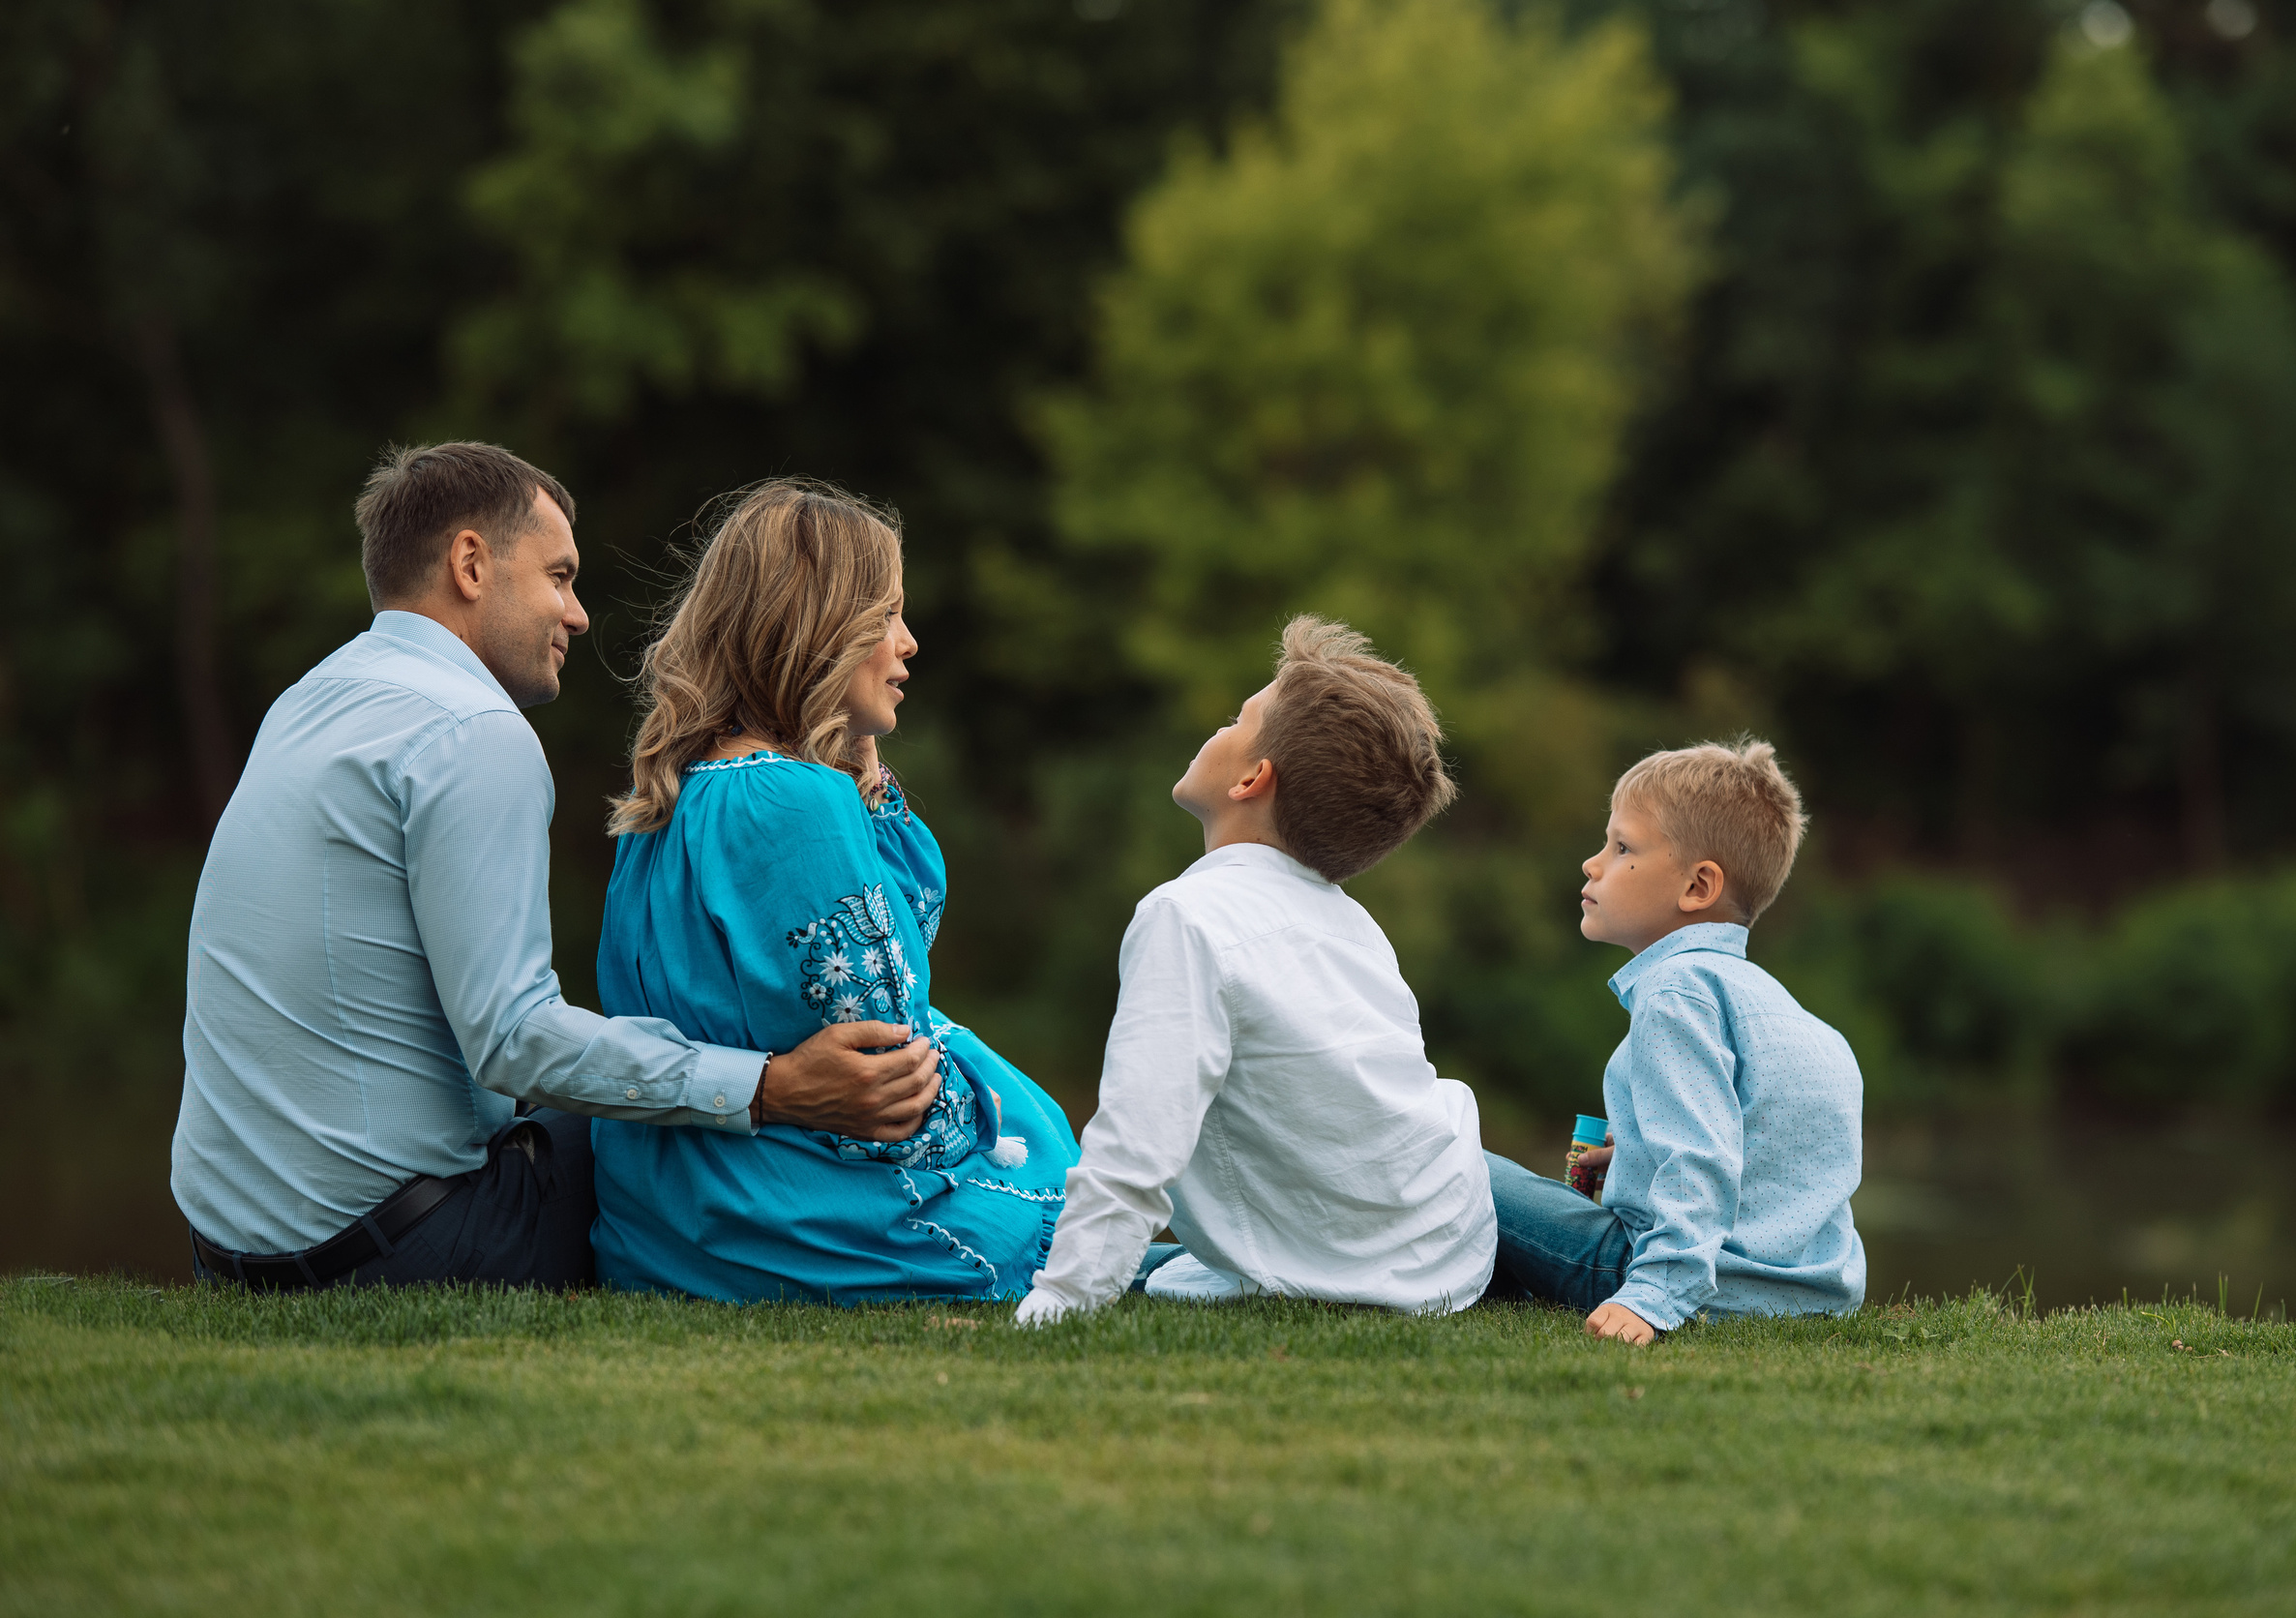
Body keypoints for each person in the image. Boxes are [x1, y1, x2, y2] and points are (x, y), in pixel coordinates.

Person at [171, 443, 942, 1291]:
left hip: (230, 1253)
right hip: (392, 1250)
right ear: (471, 563)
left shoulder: (311, 699)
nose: (578, 615)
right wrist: (770, 1086)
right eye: (560, 576)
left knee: (632, 1103)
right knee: (675, 1143)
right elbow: (514, 1038)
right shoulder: (471, 731)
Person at [587, 480, 1077, 1303]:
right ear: (817, 627)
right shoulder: (794, 801)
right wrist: (999, 1121)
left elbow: (897, 929)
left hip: (663, 1213)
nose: (909, 642)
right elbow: (895, 1086)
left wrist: (856, 759)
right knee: (1071, 1201)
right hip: (783, 1215)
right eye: (885, 615)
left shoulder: (676, 797)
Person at [1016, 616, 1496, 1324]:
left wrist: (1061, 1301)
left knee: (1027, 1243)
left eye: (1236, 721)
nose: (1214, 731)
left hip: (1344, 1266)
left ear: (1251, 777)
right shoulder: (1354, 925)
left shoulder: (1187, 916)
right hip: (1444, 1251)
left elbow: (1138, 1138)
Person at [1488, 739, 1864, 1342]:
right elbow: (1771, 1156)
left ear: (1697, 886)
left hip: (1685, 1282)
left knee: (1457, 1162)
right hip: (1810, 1295)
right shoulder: (1794, 1016)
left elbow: (1700, 1159)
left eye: (1621, 847)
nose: (1593, 864)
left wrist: (1653, 1297)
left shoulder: (1675, 991)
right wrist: (1636, 1155)